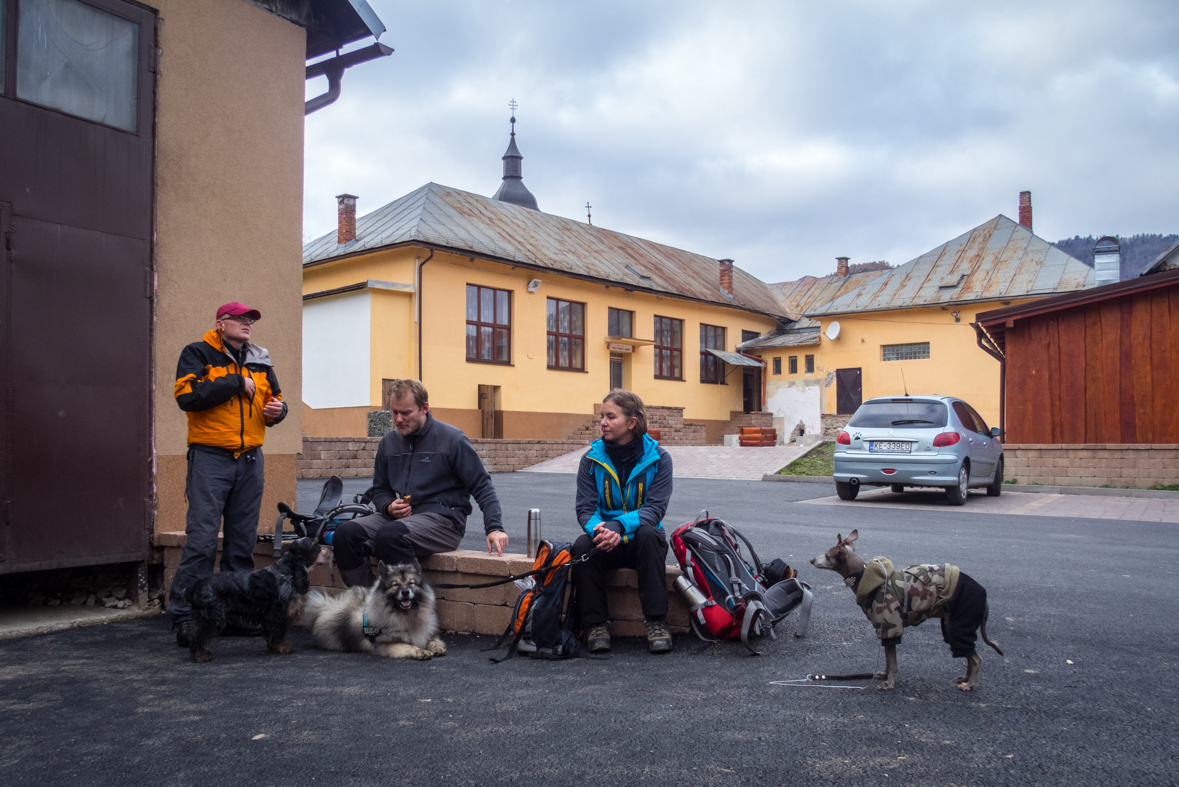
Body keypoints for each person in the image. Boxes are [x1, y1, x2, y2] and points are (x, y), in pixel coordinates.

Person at [169, 302, 288, 646]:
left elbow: (275, 401)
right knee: (203, 541)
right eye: (239, 318)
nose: (247, 323)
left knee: (241, 542)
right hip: (209, 456)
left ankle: (235, 615)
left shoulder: (260, 358)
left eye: (250, 319)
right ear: (220, 323)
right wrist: (235, 382)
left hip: (250, 458)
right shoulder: (198, 353)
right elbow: (187, 396)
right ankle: (184, 616)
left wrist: (278, 411)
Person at [331, 379, 508, 587]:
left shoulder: (452, 440)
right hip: (402, 520)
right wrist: (388, 506)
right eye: (394, 412)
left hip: (445, 522)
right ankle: (370, 605)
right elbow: (380, 489)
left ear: (425, 408)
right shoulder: (388, 443)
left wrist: (494, 527)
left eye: (405, 413)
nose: (398, 419)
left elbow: (482, 485)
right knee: (345, 534)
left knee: (391, 536)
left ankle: (409, 612)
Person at [572, 390, 674, 654]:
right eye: (602, 417)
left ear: (632, 422)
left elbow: (655, 509)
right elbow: (585, 509)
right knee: (582, 546)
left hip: (640, 541)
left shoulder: (660, 459)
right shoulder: (591, 460)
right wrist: (601, 530)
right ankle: (595, 625)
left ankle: (656, 622)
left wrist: (619, 526)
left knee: (651, 535)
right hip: (607, 541)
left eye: (611, 417)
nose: (603, 423)